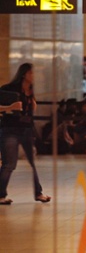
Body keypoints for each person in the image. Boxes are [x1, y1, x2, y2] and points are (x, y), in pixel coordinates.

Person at [0, 63, 51, 205]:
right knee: (9, 164)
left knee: (32, 163)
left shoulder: (30, 91)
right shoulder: (8, 89)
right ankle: (0, 195)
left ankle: (38, 193)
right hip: (10, 129)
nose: (35, 76)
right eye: (32, 73)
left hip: (26, 129)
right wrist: (10, 107)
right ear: (24, 74)